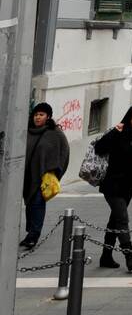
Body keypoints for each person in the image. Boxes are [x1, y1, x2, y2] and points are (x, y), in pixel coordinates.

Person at [94, 105, 132, 272]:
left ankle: (106, 256)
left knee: (115, 220)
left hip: (129, 186)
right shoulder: (119, 131)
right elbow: (99, 148)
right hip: (112, 185)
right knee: (122, 218)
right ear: (130, 117)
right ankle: (129, 255)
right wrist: (114, 131)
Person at [20, 102, 69, 251]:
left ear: (48, 116)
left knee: (37, 204)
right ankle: (30, 233)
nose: (37, 117)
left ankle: (33, 236)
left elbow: (64, 153)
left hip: (44, 177)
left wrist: (56, 171)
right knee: (29, 205)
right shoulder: (27, 131)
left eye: (41, 114)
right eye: (35, 114)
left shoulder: (55, 133)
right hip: (26, 176)